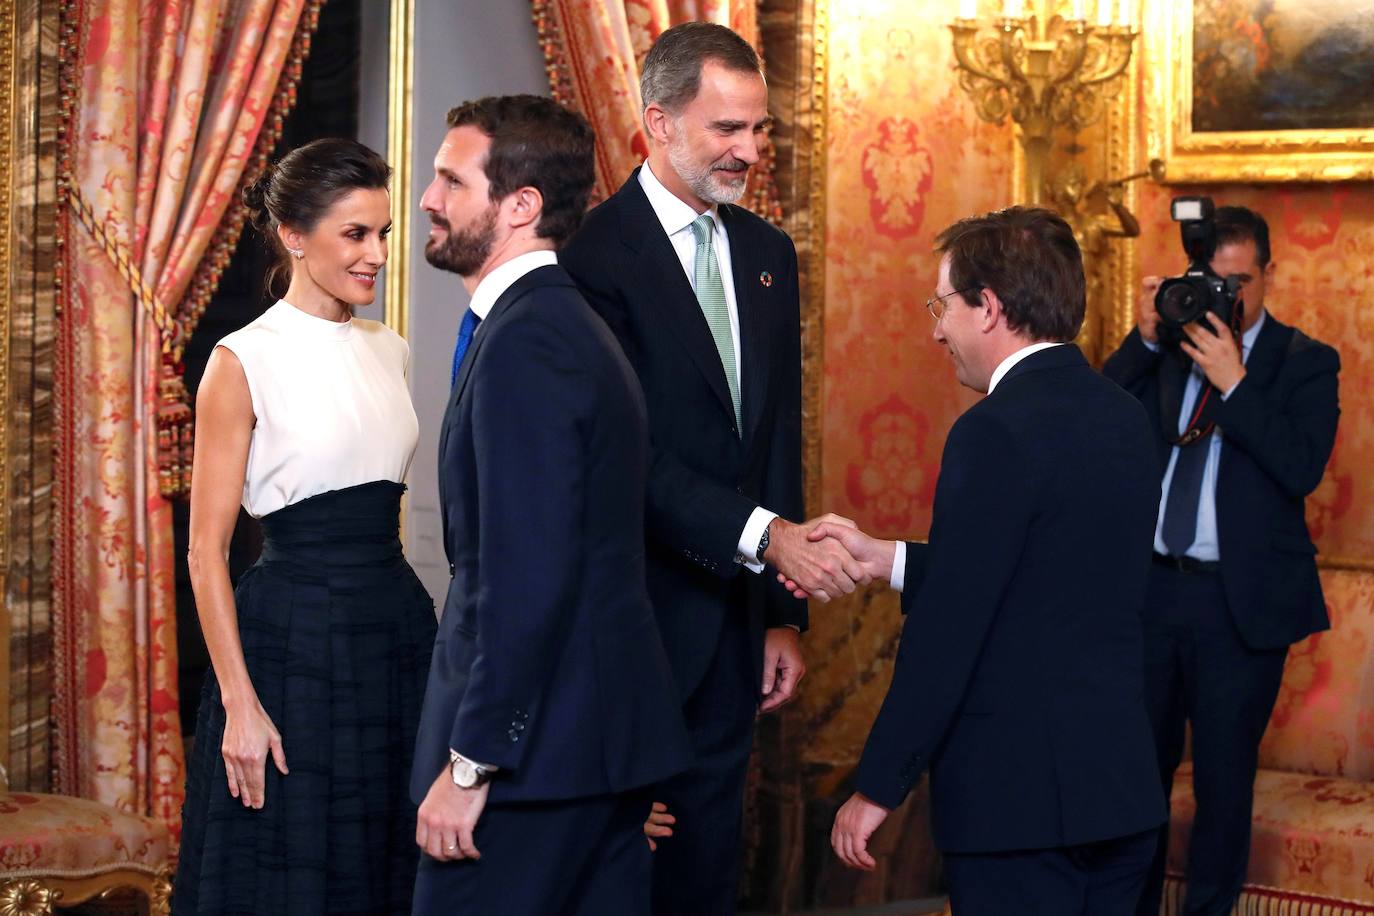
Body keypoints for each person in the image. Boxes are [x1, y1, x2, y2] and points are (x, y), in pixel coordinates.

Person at [560, 22, 864, 913]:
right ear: (657, 122)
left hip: (734, 630)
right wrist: (767, 539)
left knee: (705, 876)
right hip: (630, 627)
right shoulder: (589, 259)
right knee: (622, 878)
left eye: (759, 129)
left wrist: (780, 614)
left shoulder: (769, 255)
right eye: (727, 130)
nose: (750, 151)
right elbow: (621, 457)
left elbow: (774, 443)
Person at [812, 207, 1166, 915]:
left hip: (1020, 809)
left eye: (941, 306)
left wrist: (878, 785)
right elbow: (1049, 572)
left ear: (990, 308)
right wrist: (892, 560)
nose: (937, 328)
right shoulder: (1125, 416)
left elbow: (950, 633)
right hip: (1122, 795)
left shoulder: (993, 432)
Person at [408, 95, 692, 916]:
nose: (429, 199)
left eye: (451, 180)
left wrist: (471, 767)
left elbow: (527, 576)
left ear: (520, 206)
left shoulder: (531, 340)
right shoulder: (558, 324)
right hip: (584, 751)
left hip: (532, 768)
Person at [173, 139, 436, 914]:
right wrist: (240, 704)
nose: (378, 254)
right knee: (288, 872)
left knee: (387, 861)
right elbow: (204, 553)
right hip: (290, 647)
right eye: (355, 234)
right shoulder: (242, 358)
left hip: (395, 634)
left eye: (383, 233)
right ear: (294, 233)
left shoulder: (388, 349)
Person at [1101, 206, 1341, 916]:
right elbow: (1095, 421)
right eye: (1213, 281)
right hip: (1150, 595)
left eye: (1241, 282)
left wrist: (1236, 383)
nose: (1227, 297)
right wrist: (1144, 342)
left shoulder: (1305, 362)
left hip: (1237, 606)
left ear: (1269, 275)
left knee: (1223, 785)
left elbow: (1300, 468)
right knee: (1133, 779)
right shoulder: (1167, 347)